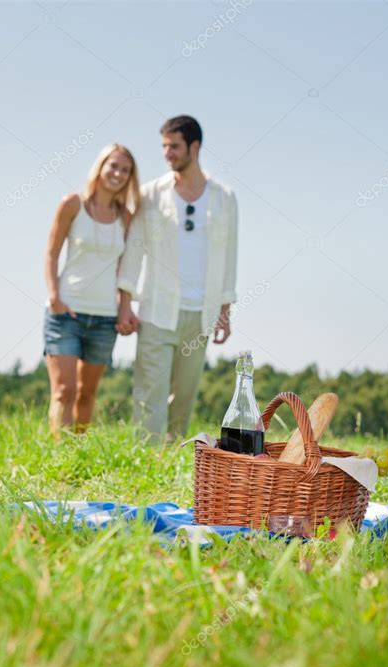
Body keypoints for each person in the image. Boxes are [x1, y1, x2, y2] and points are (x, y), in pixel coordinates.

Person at [117, 115, 238, 441]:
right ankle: (145, 463)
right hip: (157, 310)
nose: (167, 153)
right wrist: (125, 302)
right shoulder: (150, 195)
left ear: (194, 147)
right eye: (164, 147)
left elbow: (230, 257)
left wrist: (225, 311)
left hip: (201, 314)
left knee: (183, 399)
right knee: (149, 396)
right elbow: (133, 251)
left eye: (174, 146)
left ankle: (171, 463)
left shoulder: (224, 199)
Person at [44, 144, 140, 435]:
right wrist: (54, 297)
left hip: (103, 318)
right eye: (113, 166)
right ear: (100, 167)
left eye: (125, 170)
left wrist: (125, 307)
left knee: (87, 394)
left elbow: (126, 267)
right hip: (66, 314)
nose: (118, 173)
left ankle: (77, 455)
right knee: (64, 391)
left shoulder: (126, 217)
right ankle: (59, 459)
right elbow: (51, 252)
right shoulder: (73, 204)